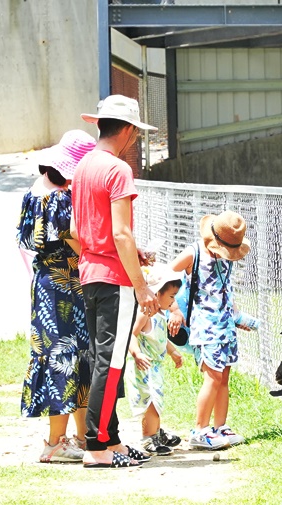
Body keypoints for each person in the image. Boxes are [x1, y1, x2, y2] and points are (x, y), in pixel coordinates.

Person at [71, 94, 160, 469]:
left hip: (89, 273)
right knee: (110, 361)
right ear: (126, 130)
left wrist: (124, 251)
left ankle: (112, 439)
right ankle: (97, 446)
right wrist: (141, 284)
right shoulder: (117, 170)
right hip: (115, 280)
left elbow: (78, 229)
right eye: (136, 134)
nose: (135, 140)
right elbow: (121, 233)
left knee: (99, 357)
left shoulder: (83, 167)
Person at [16, 129, 96, 463]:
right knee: (66, 359)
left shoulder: (32, 195)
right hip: (66, 285)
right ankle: (56, 442)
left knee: (69, 359)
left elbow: (26, 244)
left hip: (46, 284)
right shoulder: (61, 199)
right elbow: (77, 240)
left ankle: (78, 436)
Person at [169, 211, 252, 450]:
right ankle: (200, 429)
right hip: (206, 326)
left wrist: (236, 316)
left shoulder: (226, 257)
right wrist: (174, 309)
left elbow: (226, 289)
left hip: (226, 323)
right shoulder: (193, 254)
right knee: (212, 377)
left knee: (224, 376)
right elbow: (164, 279)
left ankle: (220, 426)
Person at [125, 264, 186, 456]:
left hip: (154, 368)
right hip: (143, 368)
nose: (173, 301)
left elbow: (159, 337)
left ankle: (157, 433)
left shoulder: (160, 315)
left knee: (157, 401)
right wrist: (136, 354)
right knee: (150, 402)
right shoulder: (146, 313)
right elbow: (131, 335)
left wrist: (173, 351)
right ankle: (148, 438)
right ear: (156, 293)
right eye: (171, 296)